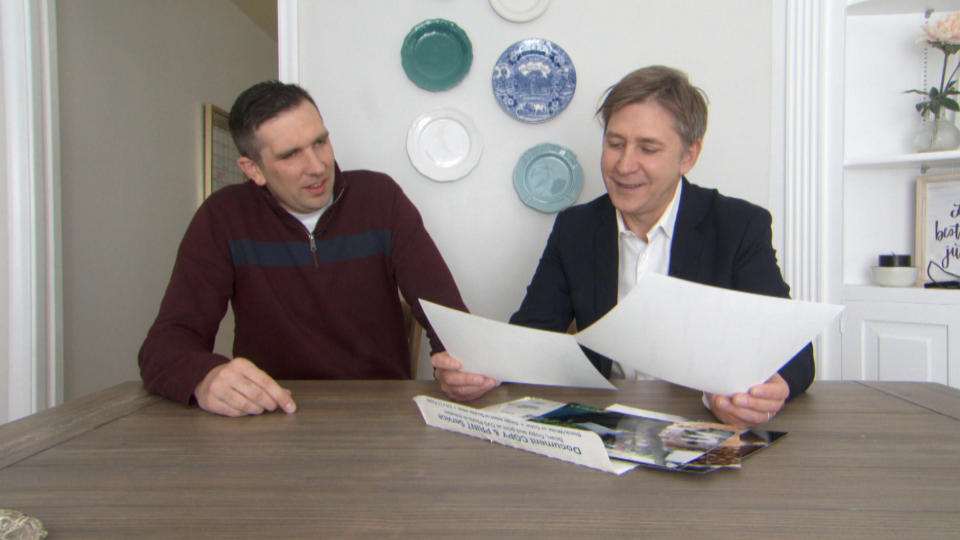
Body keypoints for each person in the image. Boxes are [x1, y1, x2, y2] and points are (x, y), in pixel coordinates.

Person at [433, 66, 814, 428]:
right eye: (615, 143)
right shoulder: (575, 228)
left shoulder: (739, 225)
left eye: (648, 149)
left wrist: (770, 389)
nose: (623, 165)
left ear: (689, 156)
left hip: (701, 422)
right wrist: (478, 369)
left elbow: (795, 354)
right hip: (604, 424)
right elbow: (533, 335)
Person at [139, 81, 467, 417]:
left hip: (379, 415)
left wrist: (462, 366)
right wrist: (205, 378)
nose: (317, 166)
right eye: (291, 154)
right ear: (253, 170)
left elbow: (452, 322)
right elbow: (164, 346)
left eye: (320, 142)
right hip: (271, 415)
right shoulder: (223, 217)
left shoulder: (381, 199)